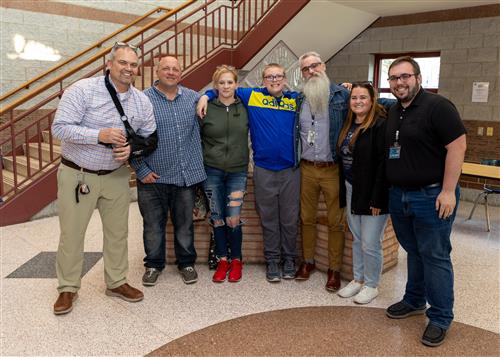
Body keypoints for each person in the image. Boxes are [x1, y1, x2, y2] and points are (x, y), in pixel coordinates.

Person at [51, 42, 156, 315]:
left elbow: (150, 138)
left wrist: (132, 149)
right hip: (78, 174)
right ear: (109, 64)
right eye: (123, 63)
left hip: (117, 176)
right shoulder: (83, 90)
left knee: (118, 233)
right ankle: (68, 287)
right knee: (72, 234)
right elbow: (59, 128)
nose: (129, 69)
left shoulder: (141, 100)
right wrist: (98, 135)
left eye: (133, 64)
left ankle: (117, 281)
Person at [384, 56, 466, 347]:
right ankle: (415, 300)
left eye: (404, 76)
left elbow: (457, 146)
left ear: (418, 78)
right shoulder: (394, 110)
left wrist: (448, 190)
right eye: (393, 78)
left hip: (432, 196)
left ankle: (441, 316)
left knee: (435, 255)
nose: (399, 83)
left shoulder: (438, 106)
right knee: (414, 252)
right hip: (400, 196)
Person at [198, 63, 300, 283]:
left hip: (290, 168)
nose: (274, 80)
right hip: (261, 168)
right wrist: (205, 96)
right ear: (262, 80)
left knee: (290, 219)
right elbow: (219, 88)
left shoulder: (295, 99)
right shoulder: (251, 96)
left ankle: (289, 259)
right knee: (267, 218)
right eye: (269, 77)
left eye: (278, 76)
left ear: (285, 78)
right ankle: (271, 260)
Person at [131, 56, 206, 286]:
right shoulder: (142, 100)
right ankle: (153, 265)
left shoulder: (193, 97)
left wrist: (206, 95)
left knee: (184, 224)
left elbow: (214, 92)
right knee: (153, 226)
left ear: (181, 73)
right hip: (153, 177)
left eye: (175, 69)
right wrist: (140, 169)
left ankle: (186, 263)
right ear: (157, 71)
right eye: (166, 68)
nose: (171, 72)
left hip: (184, 177)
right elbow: (130, 138)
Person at [293, 51, 350, 292]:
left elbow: (371, 104)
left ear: (323, 66)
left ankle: (334, 269)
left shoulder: (342, 95)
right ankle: (307, 262)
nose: (311, 71)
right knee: (306, 218)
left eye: (314, 65)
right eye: (306, 69)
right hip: (306, 169)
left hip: (332, 169)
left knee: (336, 222)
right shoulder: (298, 100)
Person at [336, 82, 389, 304]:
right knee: (357, 239)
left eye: (363, 97)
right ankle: (357, 280)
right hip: (351, 188)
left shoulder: (379, 126)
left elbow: (383, 165)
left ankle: (371, 284)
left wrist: (378, 198)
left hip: (372, 192)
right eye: (354, 97)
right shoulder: (348, 123)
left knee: (370, 242)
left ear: (372, 100)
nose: (358, 101)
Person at [199, 65, 249, 283]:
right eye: (221, 83)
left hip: (238, 171)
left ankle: (236, 260)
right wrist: (205, 96)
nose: (226, 86)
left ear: (236, 84)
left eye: (230, 82)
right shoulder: (206, 107)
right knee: (218, 218)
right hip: (212, 171)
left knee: (233, 218)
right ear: (215, 85)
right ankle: (222, 260)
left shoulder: (247, 105)